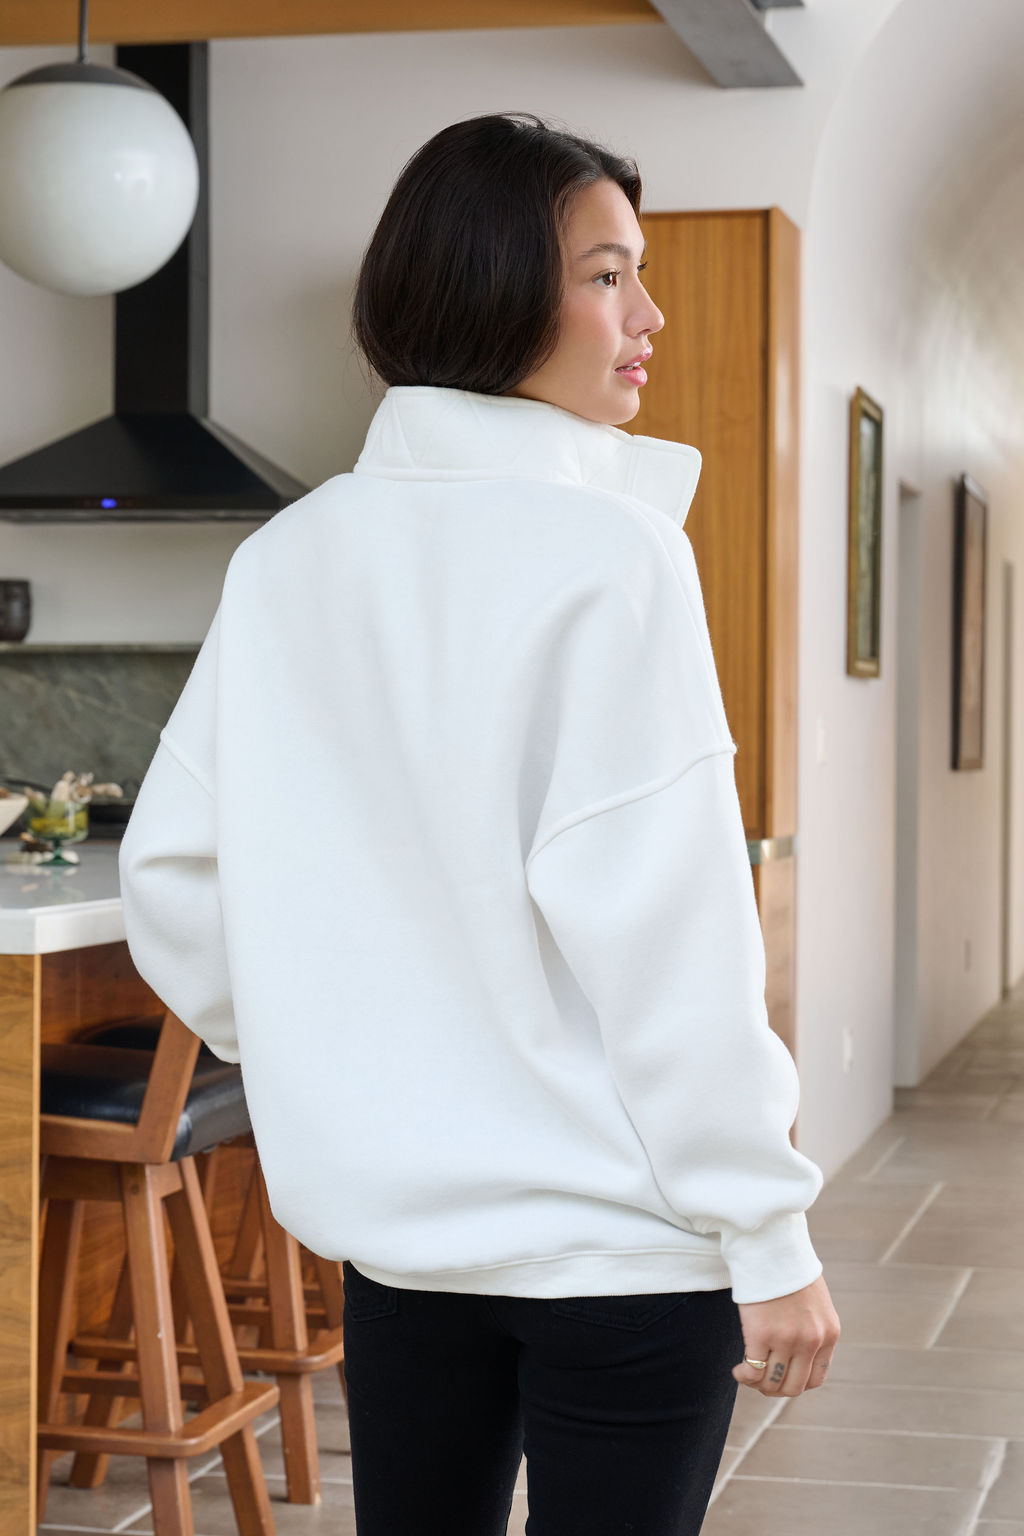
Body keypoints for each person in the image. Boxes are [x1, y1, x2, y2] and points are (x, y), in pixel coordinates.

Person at [119, 112, 840, 1536]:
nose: (649, 315)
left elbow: (175, 875)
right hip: (622, 1262)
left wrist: (353, 1055)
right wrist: (767, 1233)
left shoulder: (289, 557)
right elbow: (673, 944)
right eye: (607, 275)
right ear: (495, 285)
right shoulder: (612, 553)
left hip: (403, 1254)